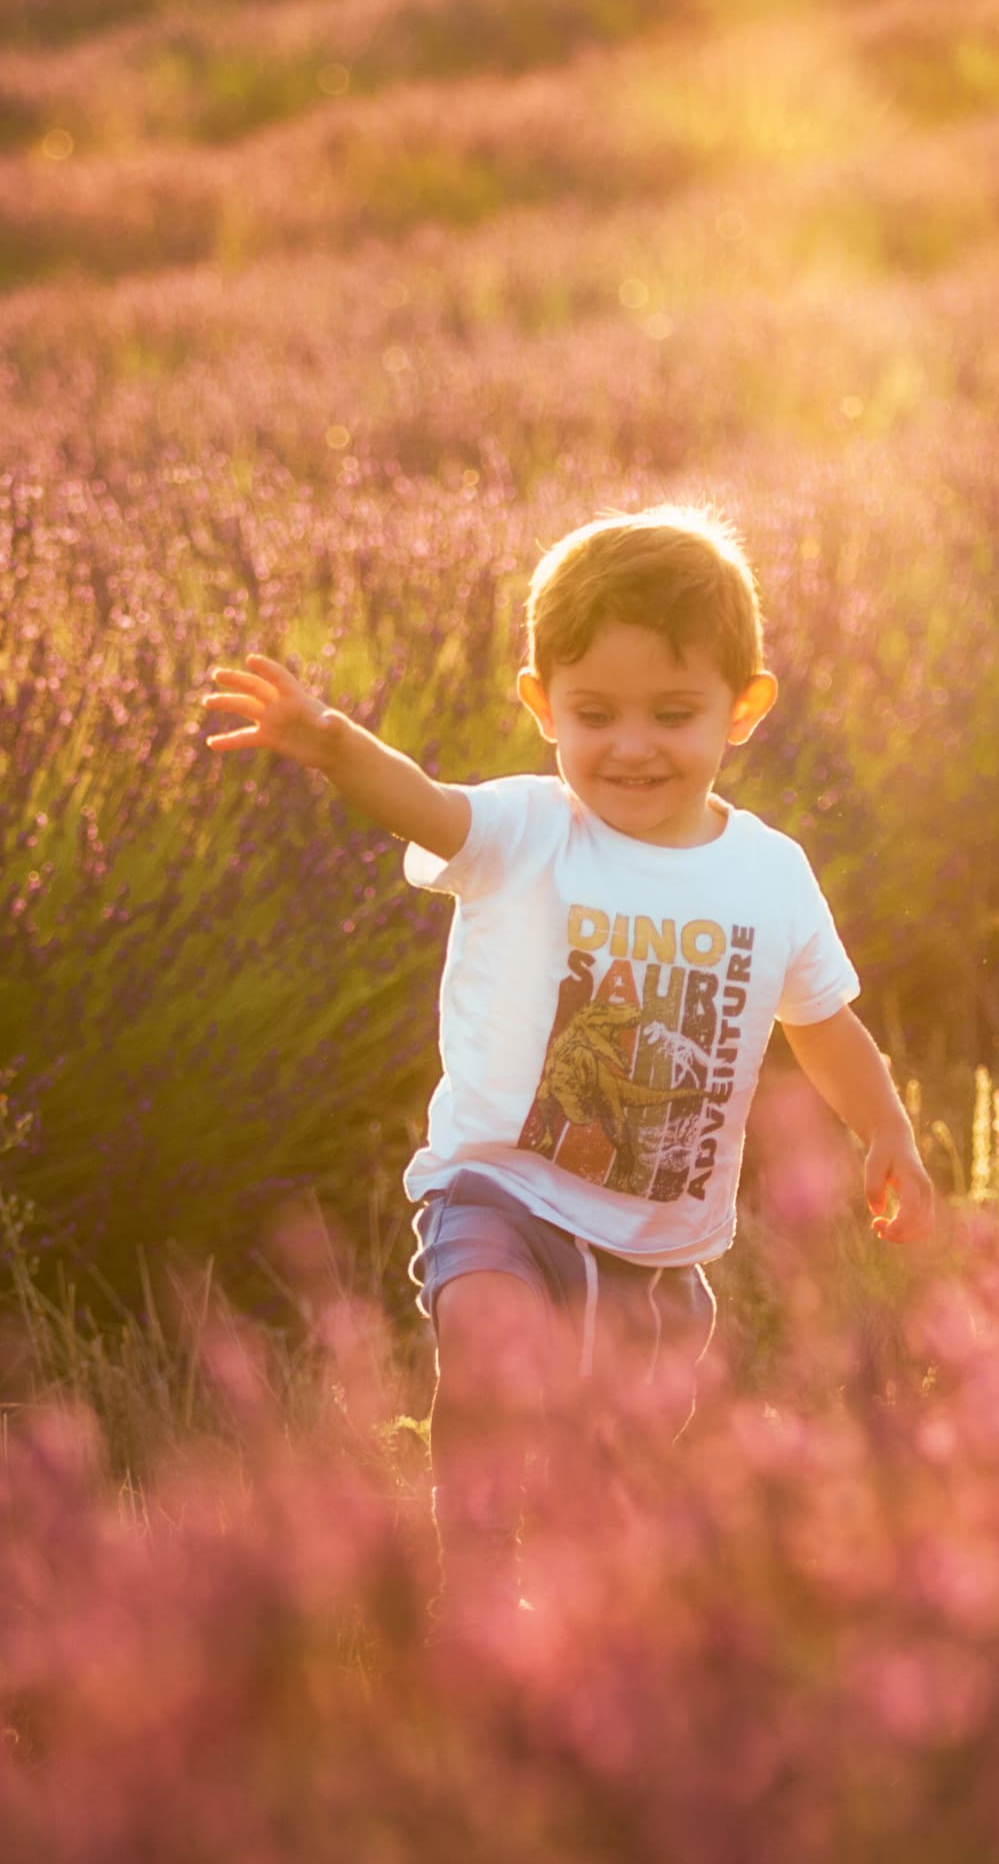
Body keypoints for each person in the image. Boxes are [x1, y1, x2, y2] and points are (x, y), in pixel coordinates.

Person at [202, 504, 936, 1596]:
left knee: (624, 1466)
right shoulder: (531, 829)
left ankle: (590, 1626)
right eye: (594, 712)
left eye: (672, 713)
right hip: (500, 1188)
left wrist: (886, 1130)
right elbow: (429, 805)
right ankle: (478, 1584)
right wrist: (332, 744)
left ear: (745, 710)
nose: (631, 744)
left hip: (656, 1241)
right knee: (492, 1349)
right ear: (541, 705)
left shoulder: (769, 873)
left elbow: (823, 1022)